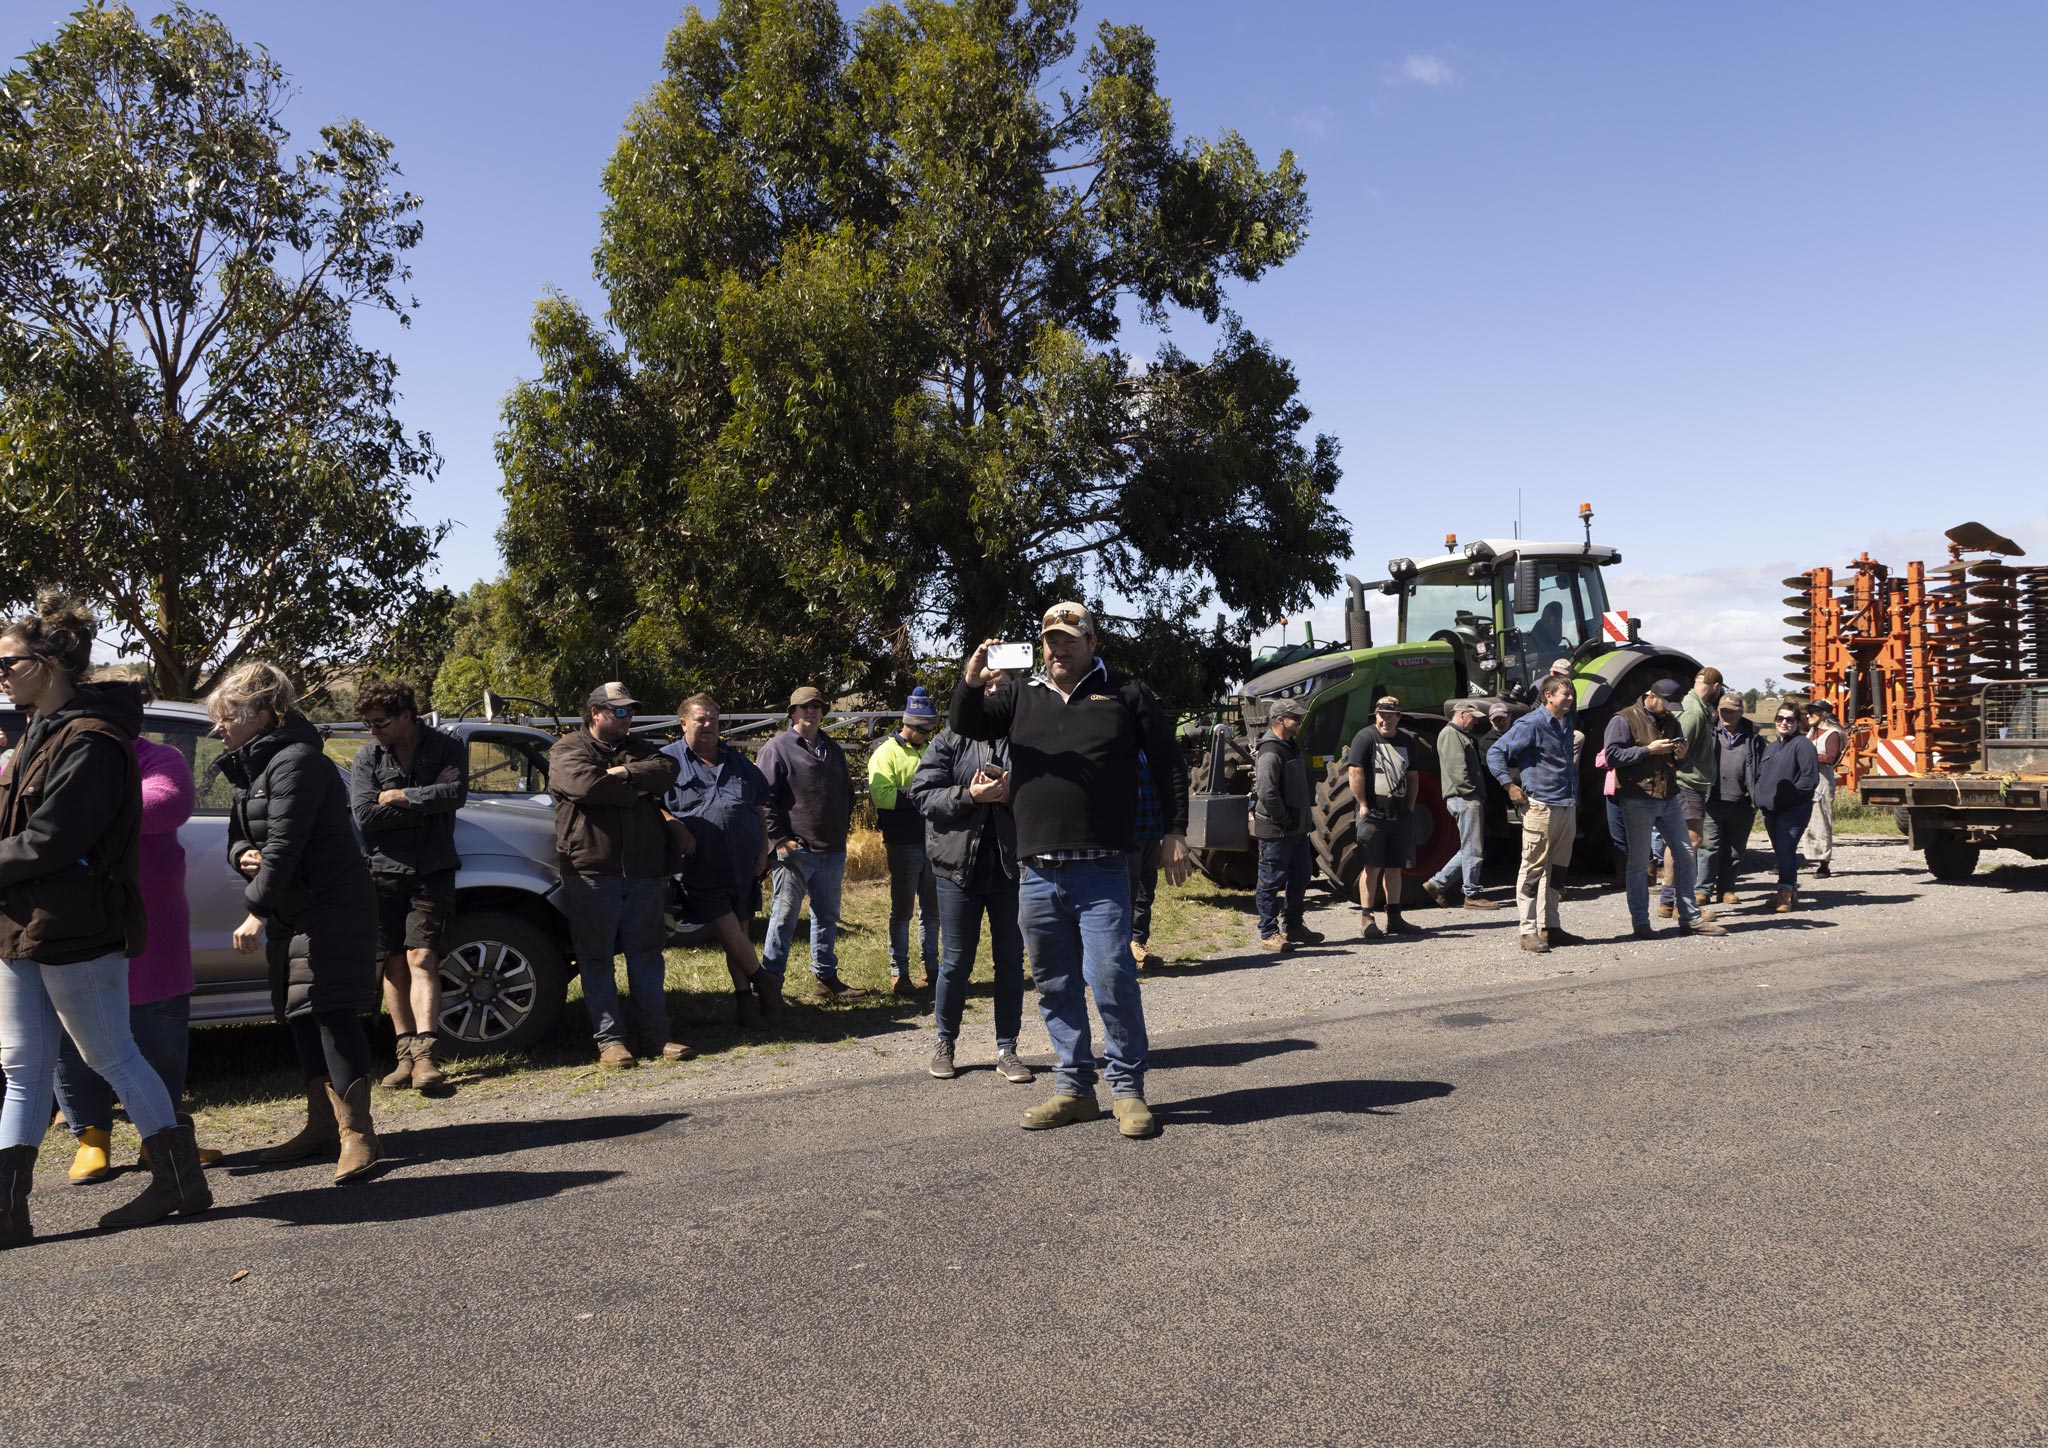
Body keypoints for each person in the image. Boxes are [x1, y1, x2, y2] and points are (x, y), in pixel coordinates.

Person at [0, 592, 209, 1244]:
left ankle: (178, 1178)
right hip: (21, 923)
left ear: (52, 662)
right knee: (22, 1066)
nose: (0, 673)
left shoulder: (90, 741)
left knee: (112, 1054)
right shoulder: (36, 733)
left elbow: (54, 840)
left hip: (76, 925)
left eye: (9, 661)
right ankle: (9, 1208)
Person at [949, 602, 1190, 1139]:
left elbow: (1169, 760)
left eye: (1069, 641)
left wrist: (1176, 830)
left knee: (1111, 979)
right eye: (1050, 641)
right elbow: (964, 724)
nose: (1058, 650)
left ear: (1092, 643)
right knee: (1055, 985)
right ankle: (1075, 1089)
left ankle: (1128, 1091)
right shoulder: (1018, 695)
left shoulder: (1127, 694)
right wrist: (971, 678)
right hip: (1036, 870)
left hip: (1102, 867)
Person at [214, 661, 383, 1183]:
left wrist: (255, 910)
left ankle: (358, 1135)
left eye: (225, 716)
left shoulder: (297, 761)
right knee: (300, 1011)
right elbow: (242, 837)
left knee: (331, 1011)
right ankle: (321, 1126)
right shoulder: (251, 767)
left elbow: (286, 845)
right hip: (295, 909)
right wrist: (242, 853)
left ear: (263, 712)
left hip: (329, 906)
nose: (216, 728)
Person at [51, 730, 215, 1181]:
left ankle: (161, 1139)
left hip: (151, 923)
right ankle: (91, 1140)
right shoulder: (53, 752)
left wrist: (75, 813)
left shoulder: (160, 756)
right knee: (72, 1036)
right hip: (72, 920)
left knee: (159, 1032)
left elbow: (166, 805)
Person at [551, 682, 689, 1067]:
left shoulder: (640, 749)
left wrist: (624, 773)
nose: (628, 718)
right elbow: (584, 785)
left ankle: (655, 1035)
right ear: (595, 713)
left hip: (643, 871)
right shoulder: (567, 749)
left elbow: (667, 769)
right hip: (590, 870)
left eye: (630, 711)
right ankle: (611, 1041)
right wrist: (636, 791)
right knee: (596, 959)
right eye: (620, 711)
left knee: (647, 956)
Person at [909, 670, 1033, 1084]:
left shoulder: (1027, 737)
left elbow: (1047, 795)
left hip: (1011, 868)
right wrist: (970, 795)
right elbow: (921, 794)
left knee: (1010, 963)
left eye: (1004, 685)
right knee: (956, 961)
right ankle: (945, 1043)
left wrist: (1013, 792)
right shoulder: (950, 737)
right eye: (988, 684)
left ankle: (1007, 1048)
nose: (995, 690)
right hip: (956, 870)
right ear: (976, 689)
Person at [349, 678, 467, 1094]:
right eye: (366, 724)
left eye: (379, 722)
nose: (372, 730)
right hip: (381, 871)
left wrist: (398, 796)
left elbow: (455, 794)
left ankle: (427, 1054)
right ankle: (404, 1053)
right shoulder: (367, 757)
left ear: (405, 716)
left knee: (422, 957)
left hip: (432, 869)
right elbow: (364, 815)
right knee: (394, 962)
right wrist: (424, 802)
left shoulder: (447, 746)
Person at [660, 694, 778, 1030]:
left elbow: (758, 806)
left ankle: (745, 1002)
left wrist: (762, 849)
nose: (709, 725)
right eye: (701, 719)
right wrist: (672, 823)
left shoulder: (737, 762)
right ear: (683, 723)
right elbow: (650, 803)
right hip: (699, 863)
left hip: (741, 861)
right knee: (726, 925)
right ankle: (763, 979)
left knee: (738, 930)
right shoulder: (667, 762)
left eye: (713, 718)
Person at [759, 686, 864, 1001]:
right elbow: (763, 799)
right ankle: (771, 983)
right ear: (792, 713)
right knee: (783, 918)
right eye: (804, 707)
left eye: (817, 706)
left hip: (831, 850)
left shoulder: (833, 749)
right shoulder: (777, 748)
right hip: (796, 852)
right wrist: (779, 839)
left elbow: (847, 794)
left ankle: (824, 977)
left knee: (826, 917)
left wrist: (840, 832)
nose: (811, 711)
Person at [1603, 679, 1726, 940]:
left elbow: (1680, 763)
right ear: (1651, 696)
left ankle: (1690, 919)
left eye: (1673, 705)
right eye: (1666, 704)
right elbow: (1612, 756)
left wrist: (1682, 756)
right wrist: (1648, 750)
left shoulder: (1671, 720)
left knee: (1684, 855)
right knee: (1637, 864)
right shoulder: (1623, 719)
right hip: (1637, 798)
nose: (1669, 710)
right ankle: (1641, 923)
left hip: (1669, 797)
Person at [1487, 676, 1581, 953]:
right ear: (1548, 696)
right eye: (1566, 694)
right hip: (1541, 805)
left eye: (1571, 694)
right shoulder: (1531, 723)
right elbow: (1496, 752)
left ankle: (1550, 926)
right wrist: (1509, 785)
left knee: (1559, 869)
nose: (1571, 698)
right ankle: (1527, 931)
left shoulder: (1566, 721)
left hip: (1566, 803)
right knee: (1533, 868)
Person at [869, 686, 940, 995]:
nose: (929, 735)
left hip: (935, 842)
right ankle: (900, 973)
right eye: (925, 730)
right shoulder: (885, 753)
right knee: (902, 911)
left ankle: (933, 970)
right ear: (910, 725)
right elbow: (881, 796)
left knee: (933, 912)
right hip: (903, 843)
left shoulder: (931, 750)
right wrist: (923, 795)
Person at [1345, 697, 1422, 938]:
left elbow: (1413, 776)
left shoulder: (1407, 741)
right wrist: (1363, 805)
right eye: (1380, 714)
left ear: (1398, 717)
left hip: (1399, 815)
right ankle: (1367, 918)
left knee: (1395, 868)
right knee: (1372, 866)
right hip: (1374, 814)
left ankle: (1395, 918)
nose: (1384, 719)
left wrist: (1409, 807)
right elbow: (1355, 771)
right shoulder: (1365, 737)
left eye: (1389, 715)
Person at [1252, 698, 1321, 950]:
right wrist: (1285, 820)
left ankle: (1292, 926)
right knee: (1270, 882)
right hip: (1277, 830)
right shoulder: (1270, 751)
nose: (1299, 722)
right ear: (1280, 720)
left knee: (1301, 875)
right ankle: (1268, 933)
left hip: (1296, 830)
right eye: (1295, 718)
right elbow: (1267, 793)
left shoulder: (1290, 746)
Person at [1423, 702, 1498, 909]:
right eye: (1472, 716)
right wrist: (1471, 794)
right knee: (1474, 849)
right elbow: (1458, 770)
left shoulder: (1456, 735)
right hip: (1464, 797)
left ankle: (1437, 883)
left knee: (1469, 848)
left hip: (1464, 796)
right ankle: (1472, 896)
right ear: (1462, 714)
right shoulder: (1450, 735)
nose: (1475, 720)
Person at [1699, 691, 1763, 904]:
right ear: (1717, 711)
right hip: (1712, 800)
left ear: (1741, 712)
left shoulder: (1753, 737)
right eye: (1723, 710)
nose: (1727, 715)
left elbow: (1762, 767)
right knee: (1709, 848)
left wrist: (1758, 797)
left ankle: (1726, 890)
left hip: (1743, 802)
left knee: (1735, 849)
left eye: (1732, 711)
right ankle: (1703, 890)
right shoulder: (1708, 732)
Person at [1757, 704, 1821, 912]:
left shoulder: (1803, 745)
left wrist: (1790, 797)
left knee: (1785, 849)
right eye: (1780, 718)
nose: (1784, 722)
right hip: (1770, 809)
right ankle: (1790, 891)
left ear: (1797, 723)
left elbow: (1809, 778)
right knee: (1782, 852)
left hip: (1793, 810)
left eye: (1790, 719)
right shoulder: (1772, 747)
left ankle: (1784, 893)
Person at [1668, 667, 1721, 912]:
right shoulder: (1694, 712)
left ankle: (1669, 901)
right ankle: (1682, 902)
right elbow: (1677, 747)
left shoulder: (1693, 706)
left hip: (1688, 783)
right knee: (1691, 841)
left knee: (1680, 842)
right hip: (1688, 783)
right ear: (1717, 687)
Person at [1127, 749, 1164, 967]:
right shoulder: (1116, 748)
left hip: (1150, 830)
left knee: (1145, 891)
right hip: (1127, 835)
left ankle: (1138, 941)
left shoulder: (1146, 751)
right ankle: (1122, 948)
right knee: (1126, 893)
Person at [1801, 700, 1846, 879]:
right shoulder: (1812, 732)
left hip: (1822, 781)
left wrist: (1804, 755)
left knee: (1821, 821)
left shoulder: (1833, 734)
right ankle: (1808, 856)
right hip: (1807, 780)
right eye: (1808, 712)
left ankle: (1823, 863)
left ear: (1823, 714)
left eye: (1812, 712)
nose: (1808, 715)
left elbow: (1830, 757)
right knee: (1805, 822)